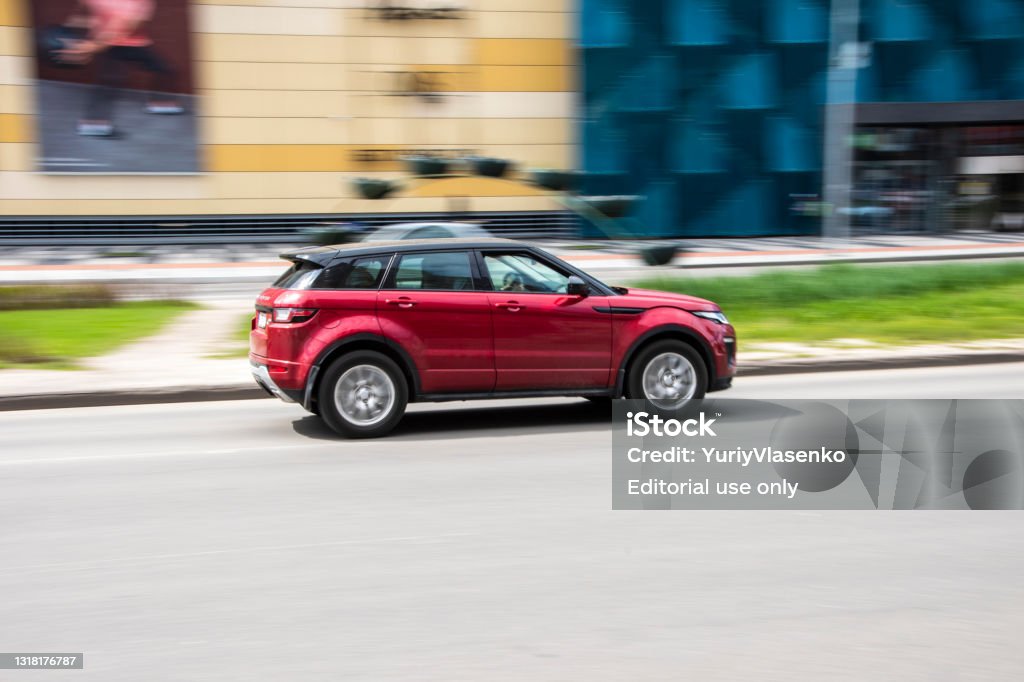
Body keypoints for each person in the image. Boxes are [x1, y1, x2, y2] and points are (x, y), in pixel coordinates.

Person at [58, 0, 183, 137]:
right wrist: (70, 39)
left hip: (132, 44)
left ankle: (160, 105)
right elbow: (81, 16)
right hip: (113, 46)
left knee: (164, 70)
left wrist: (92, 46)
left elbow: (129, 27)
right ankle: (93, 124)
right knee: (110, 83)